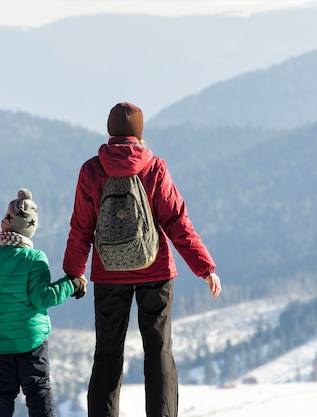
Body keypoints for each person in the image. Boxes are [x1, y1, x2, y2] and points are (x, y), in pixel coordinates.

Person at [62, 102, 222, 417]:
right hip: (156, 270)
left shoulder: (91, 170)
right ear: (139, 133)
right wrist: (205, 268)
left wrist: (74, 273)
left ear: (110, 131)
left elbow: (81, 227)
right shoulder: (155, 167)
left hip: (109, 273)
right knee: (158, 352)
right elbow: (178, 222)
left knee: (107, 354)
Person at [0, 189, 87, 417]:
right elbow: (44, 298)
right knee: (38, 391)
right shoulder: (35, 259)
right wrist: (73, 284)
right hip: (32, 341)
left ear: (5, 223)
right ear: (30, 228)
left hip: (0, 341)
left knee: (2, 392)